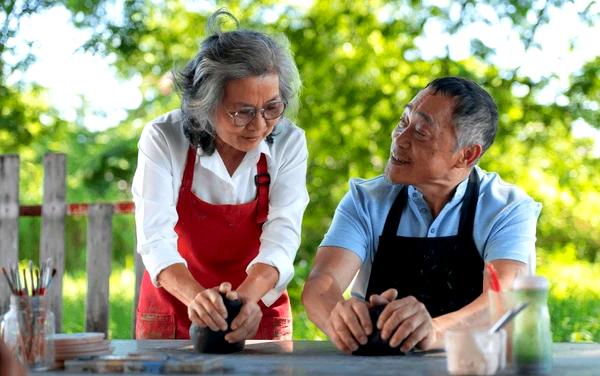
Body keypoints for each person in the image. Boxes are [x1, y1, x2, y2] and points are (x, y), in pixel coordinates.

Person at [302, 76, 542, 354]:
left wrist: (434, 330)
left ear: (466, 155)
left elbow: (504, 299)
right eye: (403, 121)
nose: (399, 139)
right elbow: (321, 286)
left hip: (473, 366)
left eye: (420, 132)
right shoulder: (365, 200)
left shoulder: (507, 208)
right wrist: (339, 318)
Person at [132, 9, 308, 341]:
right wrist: (199, 299)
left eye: (271, 107)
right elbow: (155, 238)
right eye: (242, 111)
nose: (258, 126)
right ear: (205, 105)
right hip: (174, 309)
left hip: (257, 310)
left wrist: (244, 301)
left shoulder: (290, 141)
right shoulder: (163, 138)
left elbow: (283, 234)